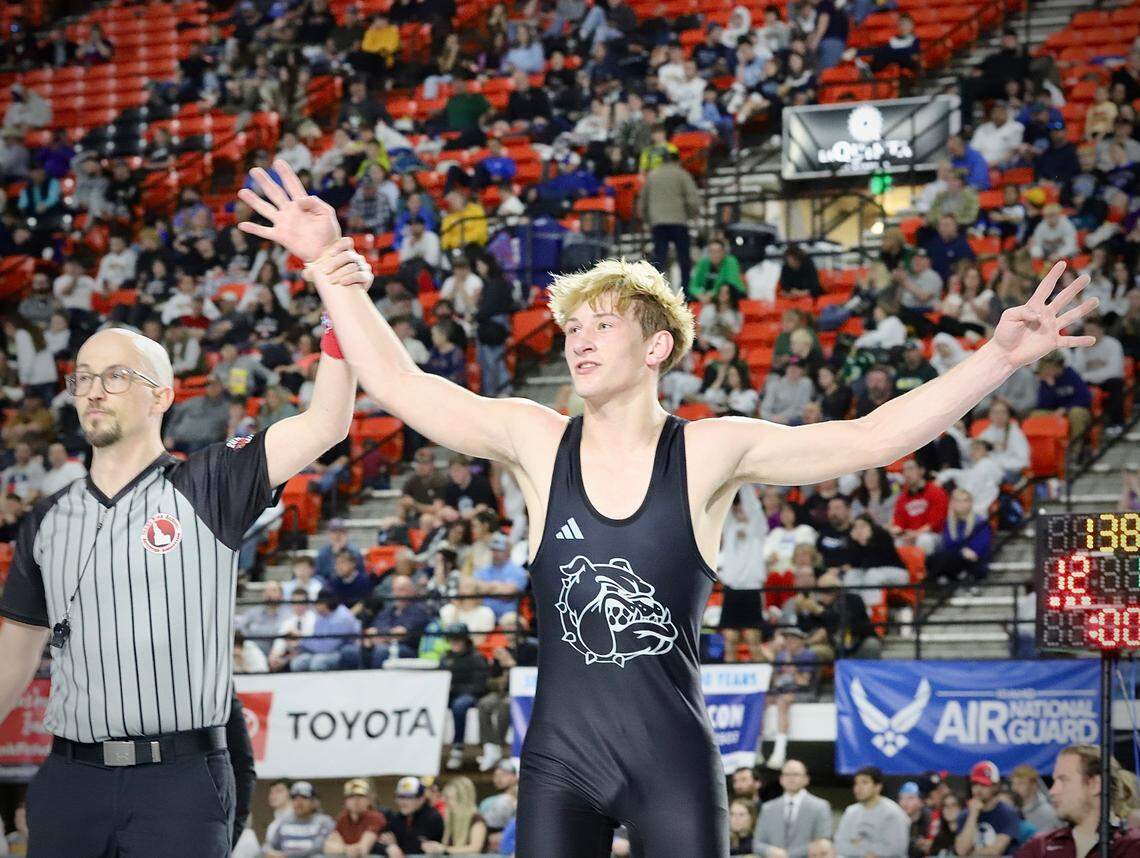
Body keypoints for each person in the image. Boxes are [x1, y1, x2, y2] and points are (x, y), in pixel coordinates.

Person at [239, 159, 1099, 858]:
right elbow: (398, 383)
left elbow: (870, 439)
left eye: (601, 325)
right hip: (559, 766)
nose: (577, 338)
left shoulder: (710, 449)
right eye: (571, 327)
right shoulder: (538, 440)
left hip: (673, 764)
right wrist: (327, 263)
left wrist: (995, 361)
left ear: (656, 346)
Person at [0, 312, 355, 857]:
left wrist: (339, 306)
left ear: (161, 396)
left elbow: (327, 421)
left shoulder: (210, 483)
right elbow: (12, 660)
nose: (94, 390)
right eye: (84, 377)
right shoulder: (45, 520)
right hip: (69, 779)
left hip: (179, 781)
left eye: (115, 376)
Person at [1016, 744, 1140, 858]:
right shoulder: (1039, 847)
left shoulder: (1132, 847)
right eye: (1054, 781)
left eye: (1063, 780)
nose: (1052, 791)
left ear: (1095, 784)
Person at [638, 150, 701, 297]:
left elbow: (642, 201)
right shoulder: (682, 174)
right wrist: (692, 214)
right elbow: (693, 199)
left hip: (658, 222)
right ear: (677, 161)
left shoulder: (652, 176)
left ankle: (657, 291)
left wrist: (647, 220)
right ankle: (686, 290)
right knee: (683, 257)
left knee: (659, 258)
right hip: (678, 221)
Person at [753, 759, 834, 858]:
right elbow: (757, 844)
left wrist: (787, 855)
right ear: (781, 779)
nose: (791, 778)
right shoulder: (767, 808)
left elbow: (823, 843)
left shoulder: (820, 806)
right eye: (787, 774)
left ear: (806, 779)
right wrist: (770, 851)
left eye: (796, 774)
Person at [441, 624, 490, 770]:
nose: (454, 642)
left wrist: (454, 688)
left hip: (470, 696)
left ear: (465, 640)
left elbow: (480, 686)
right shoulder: (446, 657)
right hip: (448, 695)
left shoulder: (477, 658)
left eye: (458, 639)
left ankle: (457, 747)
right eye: (452, 639)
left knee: (460, 705)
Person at [834, 766, 910, 858]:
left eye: (864, 783)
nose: (858, 788)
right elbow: (840, 846)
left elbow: (895, 850)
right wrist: (870, 850)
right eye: (856, 783)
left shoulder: (893, 812)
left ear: (877, 787)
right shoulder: (851, 811)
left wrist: (858, 844)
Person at [928, 488, 993, 589]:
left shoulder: (981, 523)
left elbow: (977, 550)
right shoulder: (948, 523)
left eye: (965, 501)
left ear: (971, 503)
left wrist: (961, 550)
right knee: (931, 558)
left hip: (974, 563)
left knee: (947, 557)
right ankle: (945, 578)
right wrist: (962, 550)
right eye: (957, 501)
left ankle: (936, 580)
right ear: (952, 504)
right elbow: (948, 544)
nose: (961, 504)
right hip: (953, 559)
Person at [955, 760, 1022, 856]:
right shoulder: (965, 814)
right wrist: (973, 815)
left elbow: (995, 851)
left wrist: (970, 855)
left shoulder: (1007, 813)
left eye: (983, 784)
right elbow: (961, 850)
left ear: (995, 786)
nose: (978, 789)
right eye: (975, 784)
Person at [262, 781, 336, 857]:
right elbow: (271, 845)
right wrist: (269, 852)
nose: (298, 802)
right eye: (294, 798)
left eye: (304, 798)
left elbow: (318, 848)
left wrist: (286, 856)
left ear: (314, 802)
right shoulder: (285, 822)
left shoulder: (324, 822)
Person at [420, 776, 489, 853]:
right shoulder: (451, 818)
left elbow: (475, 848)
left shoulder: (476, 820)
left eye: (448, 798)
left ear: (462, 799)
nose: (443, 800)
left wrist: (444, 849)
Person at [379, 776, 445, 856]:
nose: (402, 802)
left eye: (408, 797)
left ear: (421, 799)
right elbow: (382, 840)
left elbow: (420, 847)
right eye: (400, 796)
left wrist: (395, 844)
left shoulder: (432, 817)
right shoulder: (398, 817)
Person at [322, 778, 387, 856]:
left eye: (360, 796)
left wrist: (341, 848)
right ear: (345, 801)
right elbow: (327, 847)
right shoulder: (343, 818)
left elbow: (363, 849)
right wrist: (346, 849)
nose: (356, 800)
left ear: (368, 800)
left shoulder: (375, 817)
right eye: (351, 796)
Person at [1009, 765, 1061, 837]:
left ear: (1034, 785)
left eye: (1021, 783)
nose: (1015, 788)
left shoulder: (1046, 812)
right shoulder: (1015, 809)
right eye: (1014, 784)